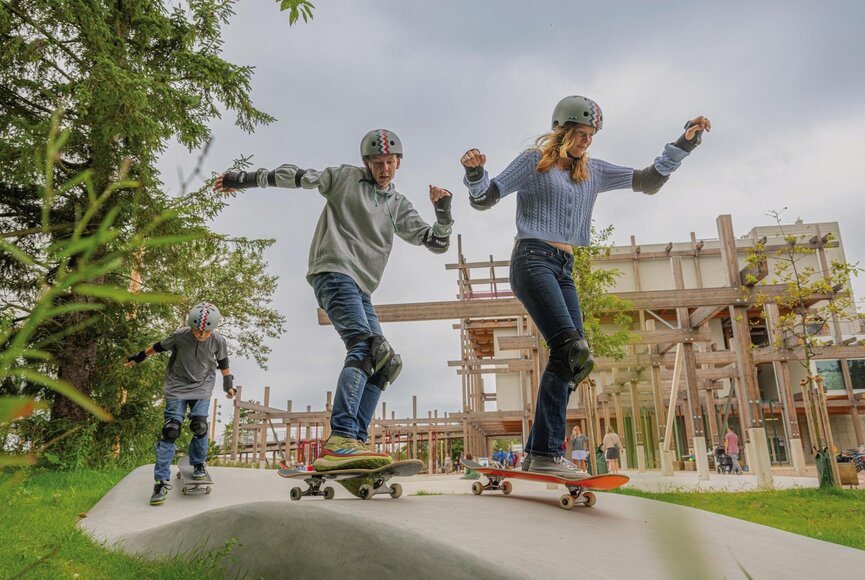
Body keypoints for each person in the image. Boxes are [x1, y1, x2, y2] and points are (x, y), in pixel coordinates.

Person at [461, 95, 709, 478]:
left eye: (591, 135)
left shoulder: (592, 172)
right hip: (532, 259)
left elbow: (648, 181)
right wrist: (476, 174)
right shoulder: (532, 163)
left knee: (576, 358)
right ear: (560, 130)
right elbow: (486, 198)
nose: (586, 142)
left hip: (564, 266)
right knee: (570, 349)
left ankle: (539, 453)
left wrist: (684, 144)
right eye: (580, 134)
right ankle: (545, 452)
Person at [216, 129, 454, 472]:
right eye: (377, 163)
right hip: (333, 271)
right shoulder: (344, 178)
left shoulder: (398, 205)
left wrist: (443, 212)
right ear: (366, 163)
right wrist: (245, 179)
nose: (383, 169)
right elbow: (297, 177)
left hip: (362, 288)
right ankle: (340, 437)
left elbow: (436, 242)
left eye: (389, 162)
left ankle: (353, 442)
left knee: (385, 361)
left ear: (399, 162)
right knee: (363, 345)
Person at [124, 302, 235, 506]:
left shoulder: (218, 340)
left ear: (213, 329)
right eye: (197, 331)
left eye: (205, 332)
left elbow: (224, 363)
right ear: (190, 326)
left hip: (202, 387)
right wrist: (137, 358)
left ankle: (198, 463)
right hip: (177, 386)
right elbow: (157, 347)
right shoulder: (180, 335)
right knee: (171, 430)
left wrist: (229, 385)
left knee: (199, 426)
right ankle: (160, 481)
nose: (200, 335)